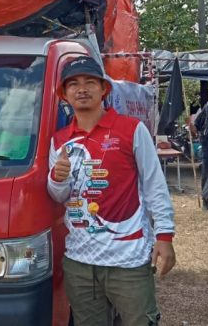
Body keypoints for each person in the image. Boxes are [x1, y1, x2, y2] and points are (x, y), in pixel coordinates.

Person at [48, 56, 176, 325]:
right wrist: (57, 179)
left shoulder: (132, 129)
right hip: (79, 262)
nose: (82, 89)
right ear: (64, 94)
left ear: (104, 89)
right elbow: (60, 196)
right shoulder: (60, 141)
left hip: (128, 260)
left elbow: (155, 185)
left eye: (90, 82)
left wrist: (164, 236)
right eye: (73, 84)